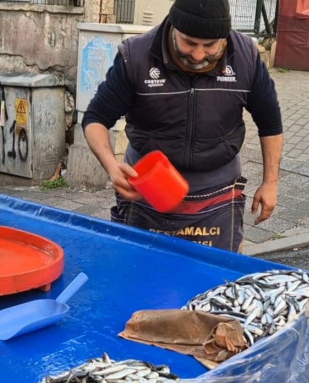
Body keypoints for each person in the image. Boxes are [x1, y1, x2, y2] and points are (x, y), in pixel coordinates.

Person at [82, 0, 283, 252]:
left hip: (216, 194)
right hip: (148, 193)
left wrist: (270, 182)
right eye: (189, 42)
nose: (198, 55)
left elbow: (270, 123)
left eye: (210, 45)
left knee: (214, 283)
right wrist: (111, 166)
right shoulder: (135, 57)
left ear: (225, 37)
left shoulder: (246, 57)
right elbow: (95, 118)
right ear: (173, 27)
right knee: (141, 276)